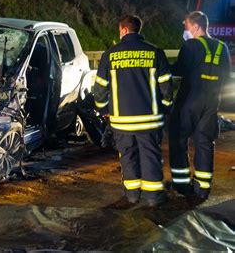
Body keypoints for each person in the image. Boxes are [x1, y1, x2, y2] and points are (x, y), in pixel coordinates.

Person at [94, 15, 173, 207]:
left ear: (123, 30)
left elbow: (100, 87)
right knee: (150, 155)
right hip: (150, 120)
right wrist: (165, 107)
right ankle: (153, 197)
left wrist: (102, 108)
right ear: (138, 29)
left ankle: (132, 195)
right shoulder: (155, 53)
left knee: (127, 156)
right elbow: (166, 87)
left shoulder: (110, 55)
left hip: (121, 121)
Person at [169, 11, 231, 201]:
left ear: (195, 27)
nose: (185, 30)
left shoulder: (191, 45)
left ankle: (181, 184)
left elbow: (179, 70)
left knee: (178, 140)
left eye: (186, 26)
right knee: (205, 143)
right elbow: (227, 76)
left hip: (189, 101)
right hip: (212, 103)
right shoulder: (223, 47)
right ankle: (202, 188)